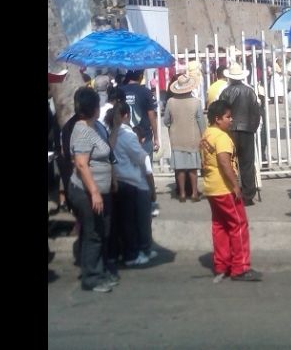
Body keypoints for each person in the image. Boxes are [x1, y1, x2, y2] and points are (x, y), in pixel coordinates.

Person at [200, 100, 263, 283]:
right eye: (228, 117)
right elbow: (224, 162)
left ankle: (222, 265)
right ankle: (241, 267)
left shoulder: (207, 134)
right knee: (238, 225)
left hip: (212, 188)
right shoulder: (221, 137)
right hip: (224, 188)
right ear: (217, 119)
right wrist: (236, 185)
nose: (231, 120)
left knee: (220, 226)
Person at [66, 87, 116, 293]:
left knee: (101, 232)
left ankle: (100, 271)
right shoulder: (83, 131)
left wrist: (117, 127)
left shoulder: (94, 127)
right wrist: (94, 192)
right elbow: (81, 164)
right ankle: (91, 278)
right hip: (86, 192)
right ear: (94, 108)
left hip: (100, 190)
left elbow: (107, 151)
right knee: (93, 234)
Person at [110, 103, 156, 266]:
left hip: (117, 180)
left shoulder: (110, 134)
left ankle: (123, 253)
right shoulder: (128, 135)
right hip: (131, 181)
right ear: (126, 116)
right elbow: (140, 157)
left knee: (122, 221)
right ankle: (134, 253)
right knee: (134, 222)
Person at [219, 64, 261, 206]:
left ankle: (231, 191)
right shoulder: (250, 92)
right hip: (247, 130)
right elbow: (256, 112)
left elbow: (221, 111)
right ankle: (248, 195)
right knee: (247, 163)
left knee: (229, 162)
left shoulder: (226, 92)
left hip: (230, 130)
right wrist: (253, 128)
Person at [164, 74, 206, 203]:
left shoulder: (170, 102)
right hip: (193, 137)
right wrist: (204, 135)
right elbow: (201, 121)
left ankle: (182, 193)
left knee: (180, 168)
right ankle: (194, 192)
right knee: (193, 167)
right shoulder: (196, 102)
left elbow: (166, 121)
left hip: (176, 137)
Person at [120, 70, 159, 159]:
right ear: (141, 76)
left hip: (124, 135)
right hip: (144, 137)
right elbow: (152, 116)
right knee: (146, 168)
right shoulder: (146, 92)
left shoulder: (120, 91)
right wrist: (156, 137)